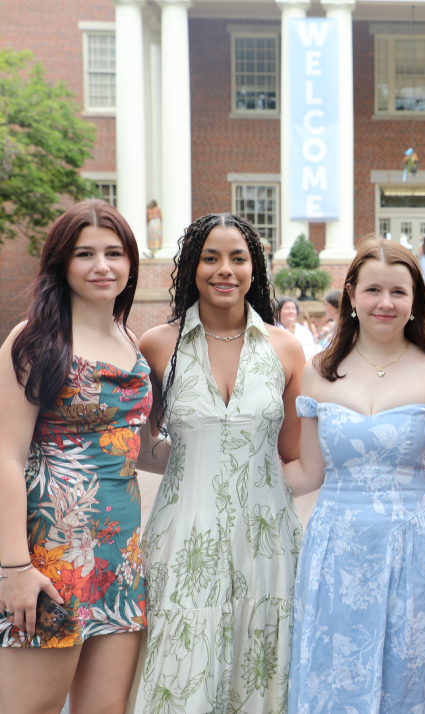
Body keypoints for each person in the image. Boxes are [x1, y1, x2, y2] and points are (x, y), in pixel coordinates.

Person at [283, 238, 425, 713]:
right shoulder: (317, 373)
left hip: (413, 552)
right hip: (334, 554)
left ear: (414, 302)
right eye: (372, 290)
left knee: (408, 682)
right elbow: (308, 473)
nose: (385, 303)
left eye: (398, 292)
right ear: (350, 294)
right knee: (334, 681)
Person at [131, 213, 305, 714]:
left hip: (267, 544)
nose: (224, 270)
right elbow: (143, 446)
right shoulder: (158, 346)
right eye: (210, 258)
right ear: (192, 267)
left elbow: (291, 455)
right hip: (183, 539)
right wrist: (201, 468)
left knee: (261, 671)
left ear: (255, 268)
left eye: (237, 258)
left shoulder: (285, 349)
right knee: (179, 675)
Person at [0, 199, 149, 714]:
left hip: (121, 558)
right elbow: (5, 457)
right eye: (85, 253)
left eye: (114, 252)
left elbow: (136, 446)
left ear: (131, 263)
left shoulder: (132, 342)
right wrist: (13, 566)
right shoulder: (34, 340)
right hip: (50, 557)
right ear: (62, 264)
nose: (102, 265)